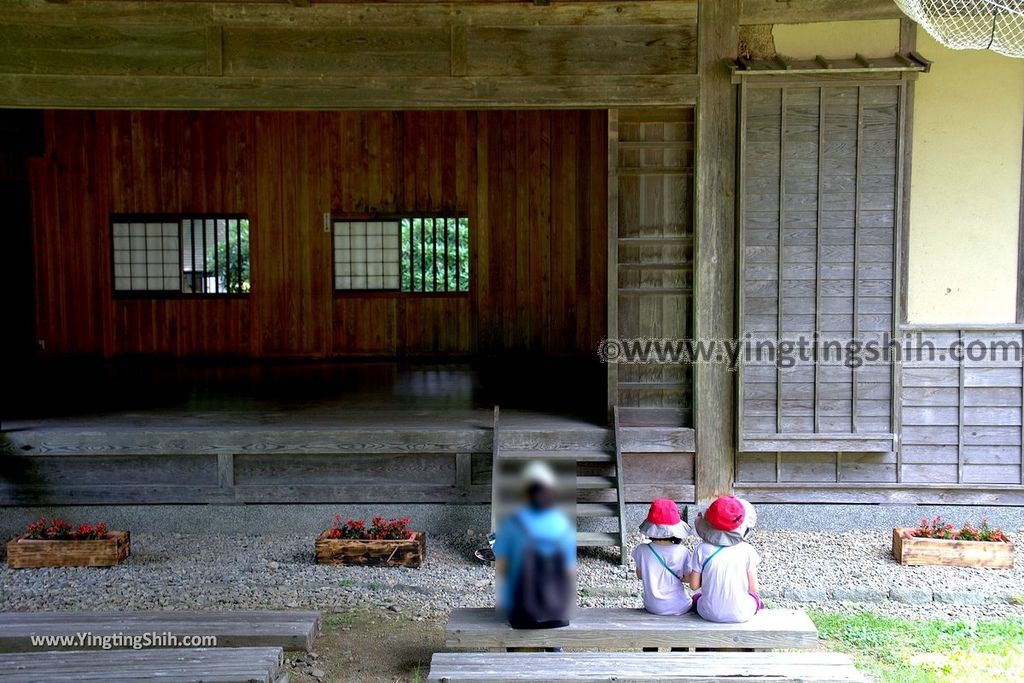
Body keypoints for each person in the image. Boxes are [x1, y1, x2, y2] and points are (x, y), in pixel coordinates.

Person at [493, 460, 576, 629]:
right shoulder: (563, 524)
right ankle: (554, 647)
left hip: (521, 614)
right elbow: (569, 571)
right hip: (557, 613)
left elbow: (502, 568)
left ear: (524, 493)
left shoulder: (512, 523)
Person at [687, 495, 763, 624]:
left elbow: (694, 586)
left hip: (708, 614)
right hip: (741, 614)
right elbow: (753, 589)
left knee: (696, 598)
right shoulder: (747, 550)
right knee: (755, 599)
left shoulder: (701, 549)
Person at [631, 499, 691, 616]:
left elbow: (640, 575)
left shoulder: (641, 550)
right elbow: (688, 578)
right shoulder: (683, 551)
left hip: (652, 607)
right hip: (680, 606)